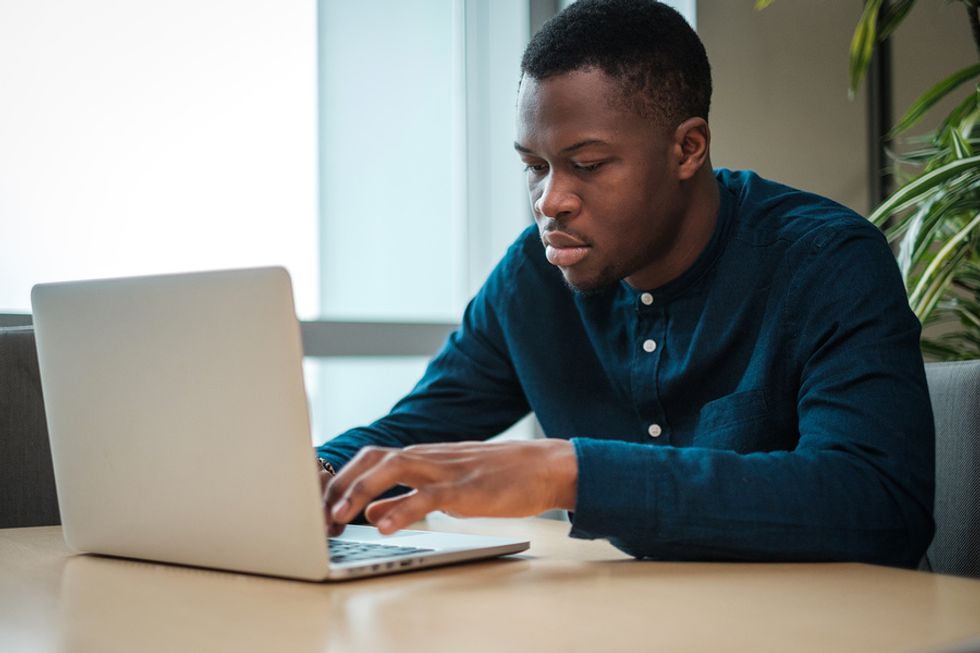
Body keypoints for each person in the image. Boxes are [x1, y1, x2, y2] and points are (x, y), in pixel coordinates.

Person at [318, 0, 934, 567]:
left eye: (586, 165)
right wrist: (317, 473)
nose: (549, 201)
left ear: (688, 148)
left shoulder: (825, 260)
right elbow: (409, 437)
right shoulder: (533, 277)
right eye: (534, 167)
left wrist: (572, 474)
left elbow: (877, 503)